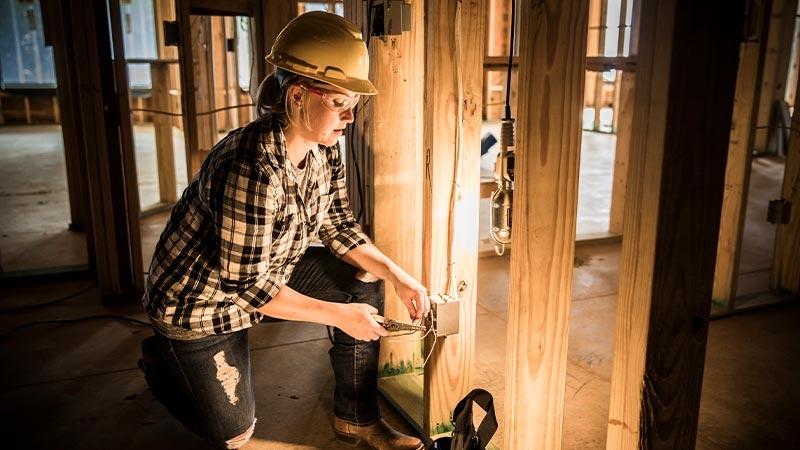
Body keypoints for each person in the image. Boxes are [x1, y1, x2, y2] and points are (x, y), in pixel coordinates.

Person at [138, 11, 428, 450]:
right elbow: (246, 285)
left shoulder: (321, 145)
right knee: (234, 435)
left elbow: (339, 227)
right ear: (297, 95)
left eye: (354, 104)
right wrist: (338, 316)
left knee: (363, 280)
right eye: (338, 102)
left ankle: (357, 418)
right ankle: (165, 364)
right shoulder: (251, 168)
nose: (349, 117)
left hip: (266, 273)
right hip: (201, 304)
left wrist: (397, 274)